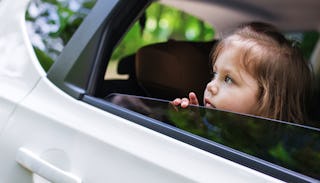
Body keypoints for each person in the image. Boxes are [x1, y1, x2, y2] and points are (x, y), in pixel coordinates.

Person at [173, 22, 313, 123]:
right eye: (215, 74)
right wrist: (194, 123)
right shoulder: (216, 128)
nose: (211, 86)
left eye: (228, 79)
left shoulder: (264, 155)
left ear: (270, 105)